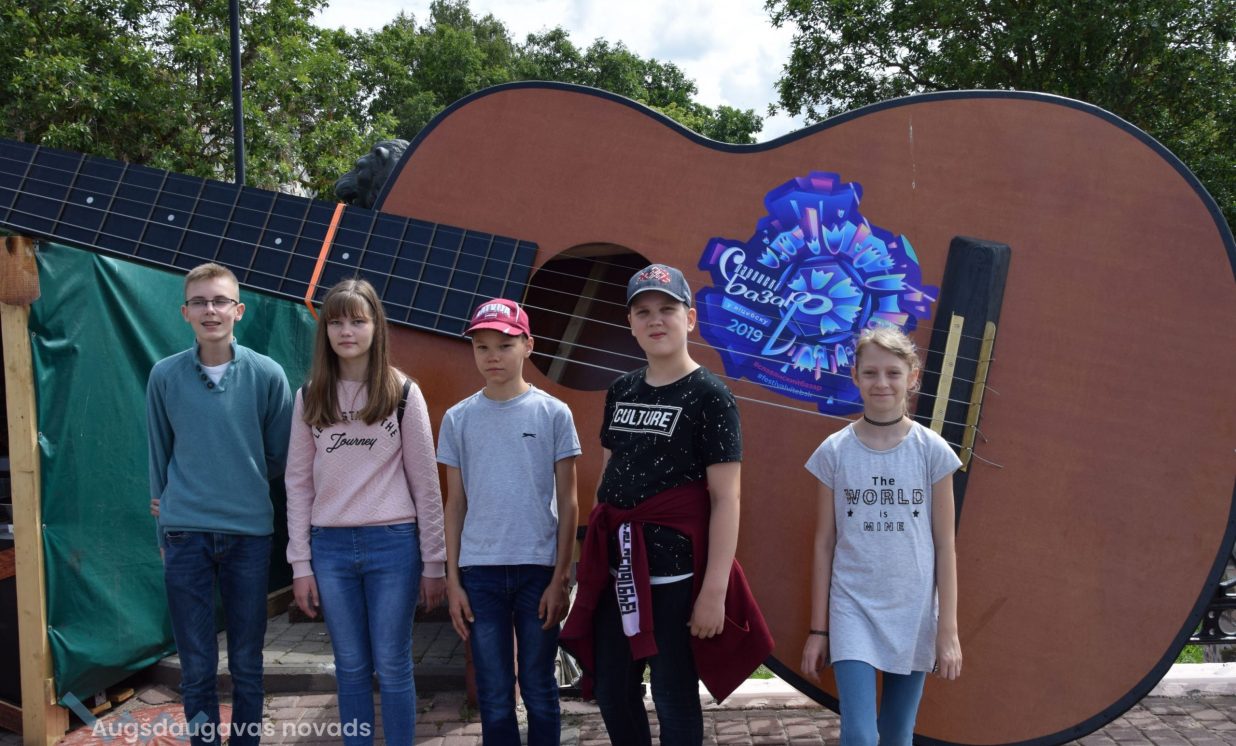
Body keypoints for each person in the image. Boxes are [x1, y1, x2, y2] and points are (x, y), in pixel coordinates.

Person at [561, 264, 772, 746]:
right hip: (618, 572)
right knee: (612, 689)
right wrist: (591, 557)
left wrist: (713, 591)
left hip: (675, 579)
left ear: (690, 318)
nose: (655, 320)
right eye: (643, 312)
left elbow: (726, 498)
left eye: (667, 309)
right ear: (631, 324)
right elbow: (608, 477)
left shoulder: (711, 396)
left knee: (673, 694)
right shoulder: (622, 390)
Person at [284, 278, 446, 746]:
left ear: (376, 326)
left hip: (393, 546)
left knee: (392, 664)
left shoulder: (402, 392)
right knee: (351, 665)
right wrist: (300, 563)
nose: (346, 331)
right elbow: (297, 484)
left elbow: (426, 484)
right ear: (325, 331)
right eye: (336, 322)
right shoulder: (310, 395)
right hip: (330, 549)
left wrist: (434, 562)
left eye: (357, 320)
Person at [147, 262, 293, 746]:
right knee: (196, 665)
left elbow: (279, 454)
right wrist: (163, 531)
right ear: (185, 312)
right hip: (184, 534)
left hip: (249, 535)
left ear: (239, 310)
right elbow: (158, 456)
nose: (210, 310)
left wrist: (234, 480)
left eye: (220, 301)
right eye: (200, 302)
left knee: (248, 660)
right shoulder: (164, 375)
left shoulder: (268, 374)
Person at [799, 326, 963, 746]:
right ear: (855, 376)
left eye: (893, 372)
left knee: (896, 733)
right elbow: (824, 543)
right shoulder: (834, 452)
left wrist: (947, 630)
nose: (881, 383)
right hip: (852, 606)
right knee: (859, 734)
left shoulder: (932, 452)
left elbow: (945, 545)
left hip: (914, 609)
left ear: (913, 377)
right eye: (870, 372)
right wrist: (818, 630)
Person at [438, 298, 581, 745]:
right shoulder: (458, 418)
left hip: (538, 571)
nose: (492, 356)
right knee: (495, 692)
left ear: (528, 345)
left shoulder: (553, 413)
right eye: (482, 347)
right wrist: (453, 580)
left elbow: (569, 502)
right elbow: (455, 504)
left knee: (539, 687)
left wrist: (561, 577)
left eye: (504, 345)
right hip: (479, 573)